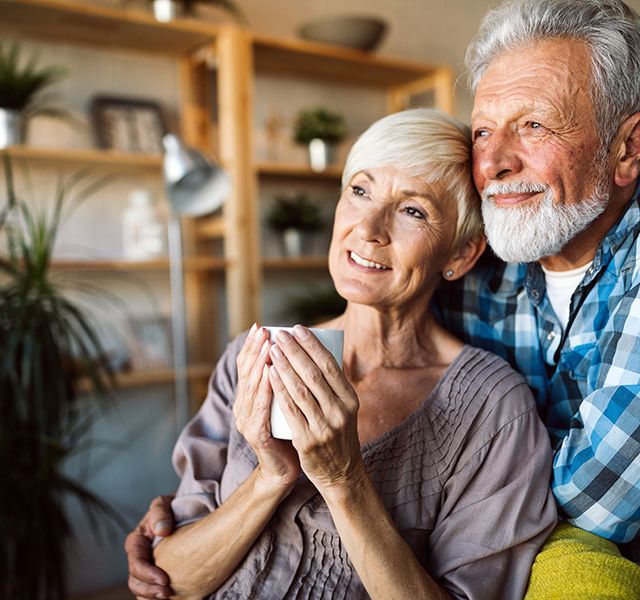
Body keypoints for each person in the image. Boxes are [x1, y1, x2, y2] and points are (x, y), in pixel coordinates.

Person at [126, 109, 556, 600]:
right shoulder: (250, 358)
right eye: (360, 191)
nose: (368, 228)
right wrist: (271, 476)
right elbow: (168, 583)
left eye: (413, 211)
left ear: (459, 255)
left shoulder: (493, 408)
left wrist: (343, 478)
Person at [439, 0, 640, 557]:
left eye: (533, 124)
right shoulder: (465, 262)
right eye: (482, 132)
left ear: (628, 148)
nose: (494, 163)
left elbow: (595, 499)